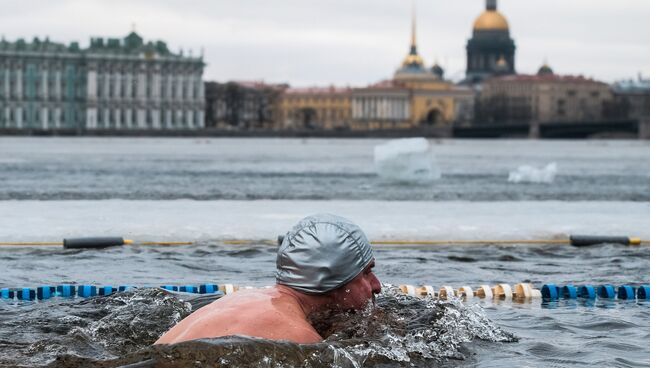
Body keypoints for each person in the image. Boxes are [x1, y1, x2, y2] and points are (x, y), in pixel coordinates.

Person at [155, 213, 381, 345]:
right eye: (367, 272)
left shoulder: (243, 298)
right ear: (336, 280)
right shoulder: (298, 338)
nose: (377, 285)